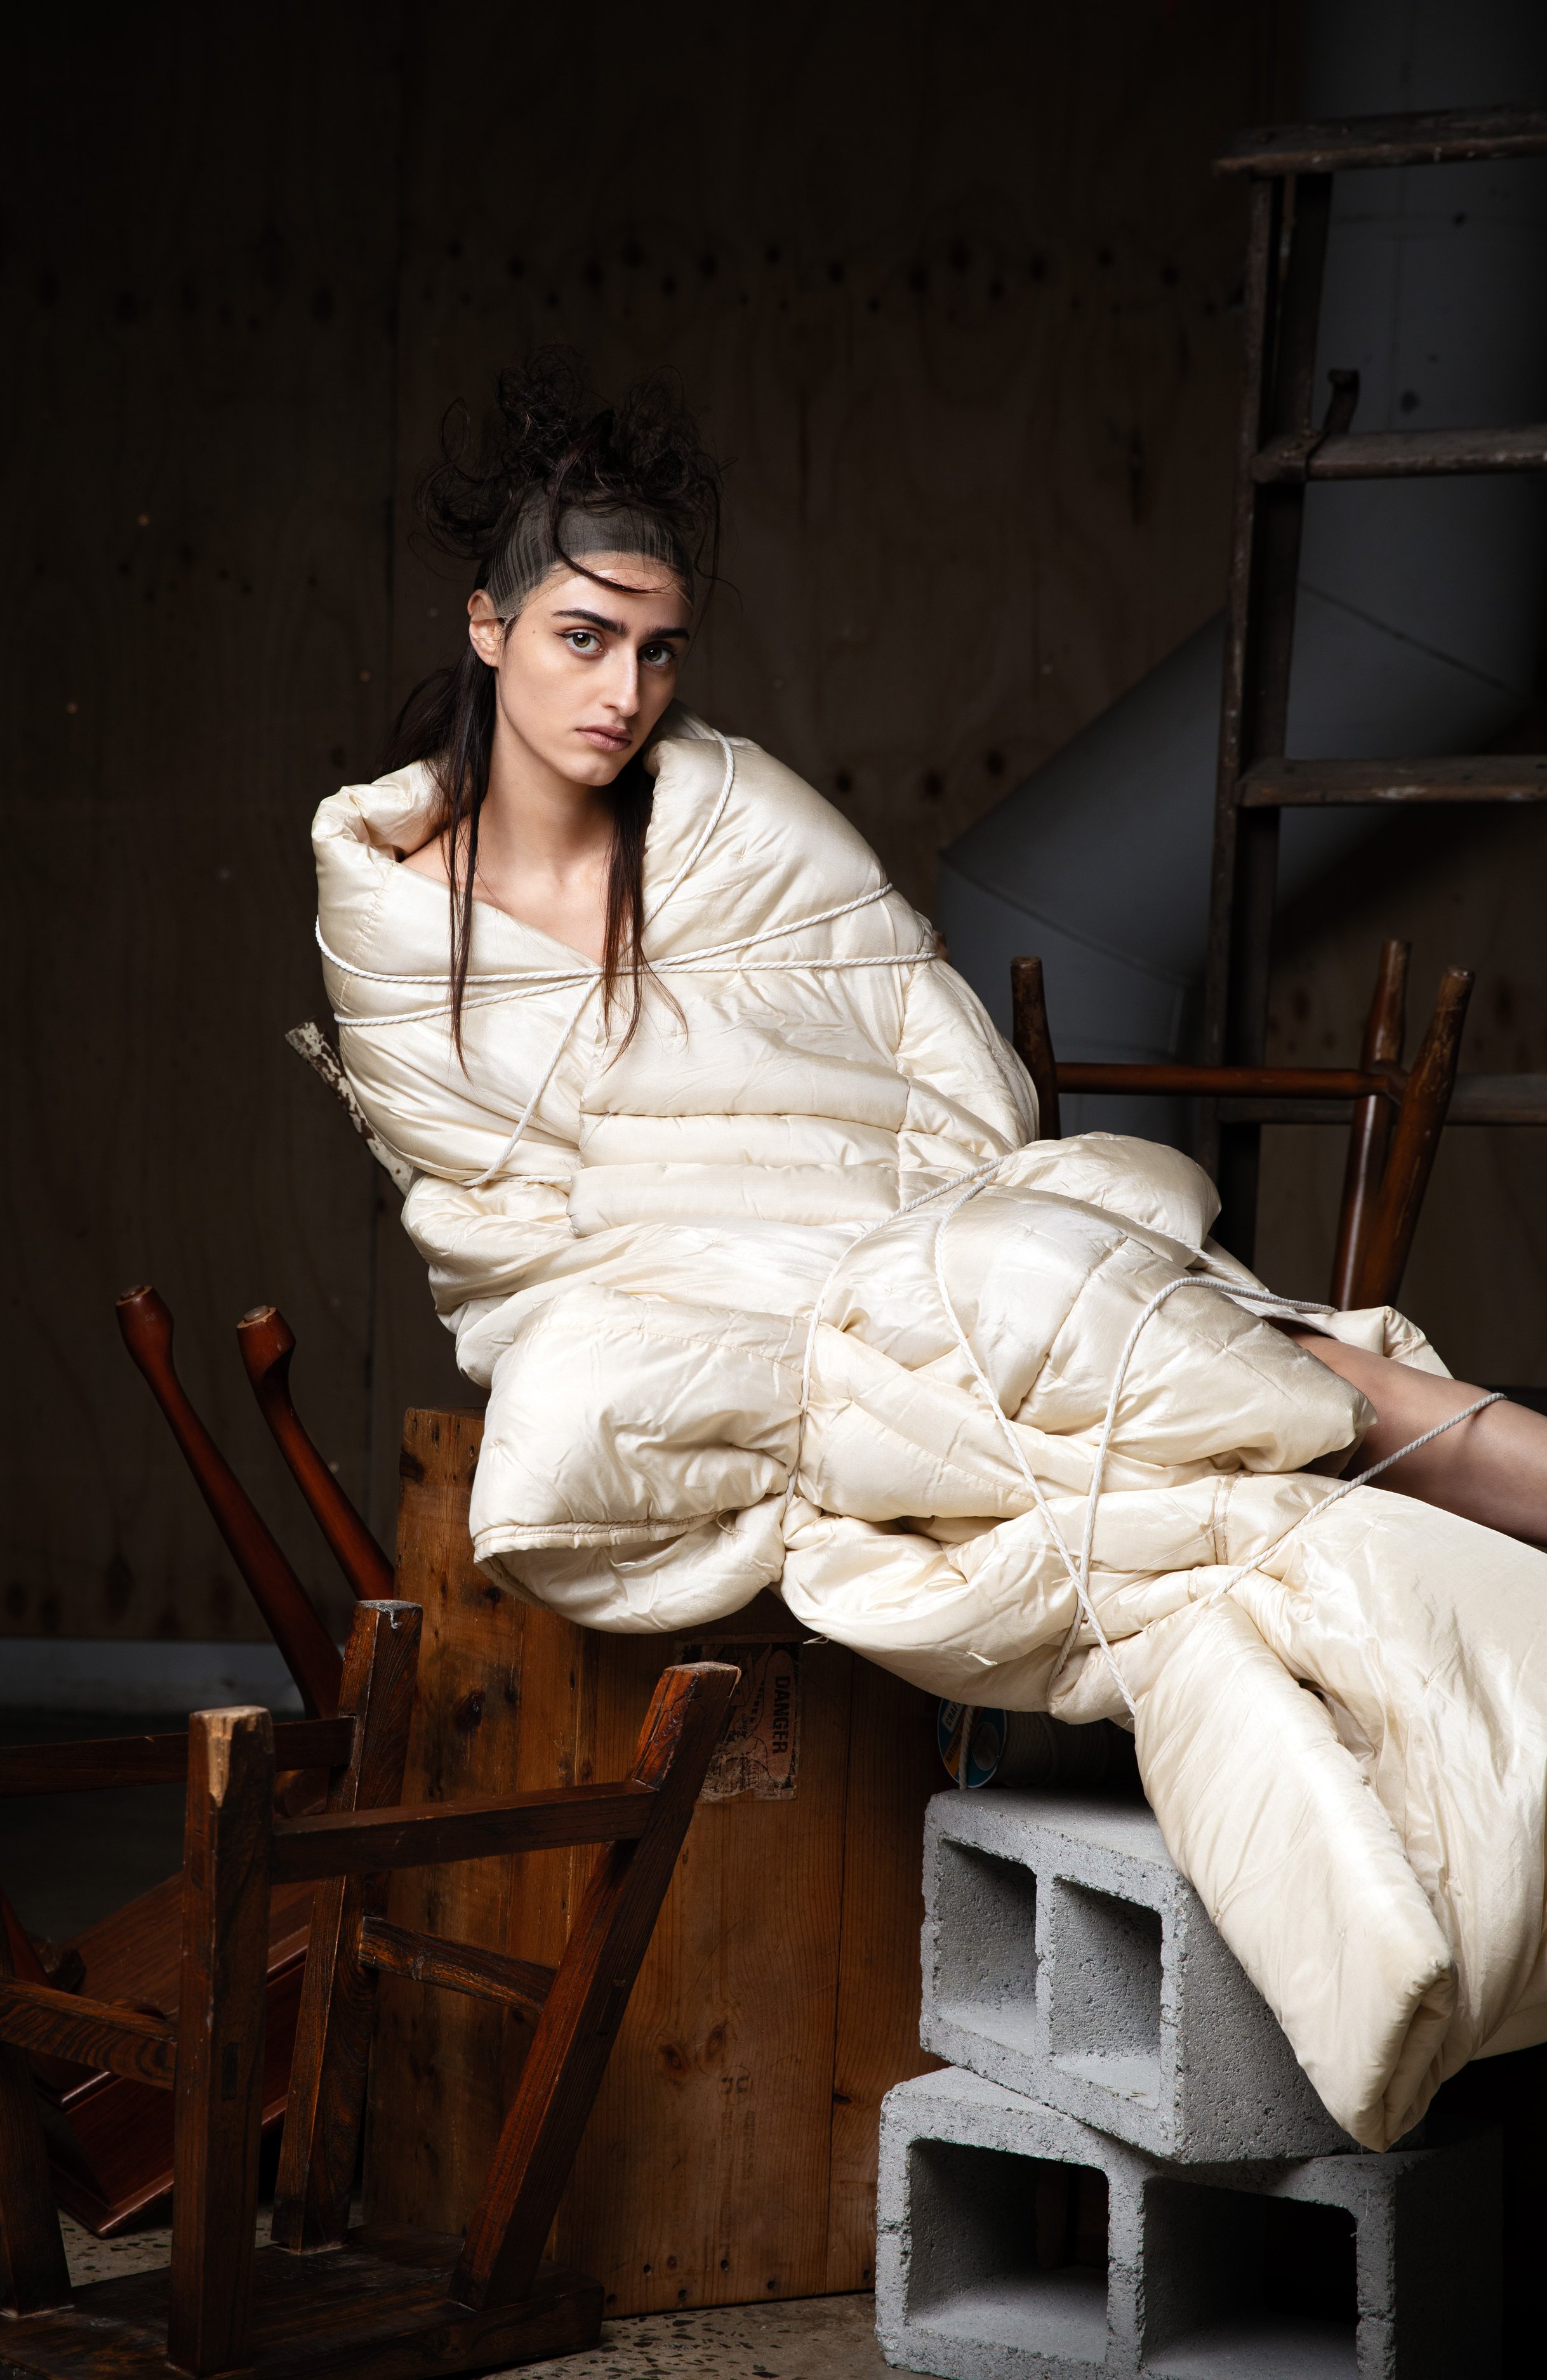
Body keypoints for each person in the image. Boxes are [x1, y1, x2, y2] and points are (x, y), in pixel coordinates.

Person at [314, 352, 1547, 2155]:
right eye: (583, 638)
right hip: (700, 1310)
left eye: (657, 651)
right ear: (488, 627)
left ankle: (1414, 1446)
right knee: (1105, 1396)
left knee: (1050, 1286)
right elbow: (504, 1232)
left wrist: (891, 1227)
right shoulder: (388, 911)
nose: (622, 691)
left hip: (909, 1242)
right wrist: (789, 1268)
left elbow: (945, 1071)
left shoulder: (732, 816)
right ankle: (1446, 1456)